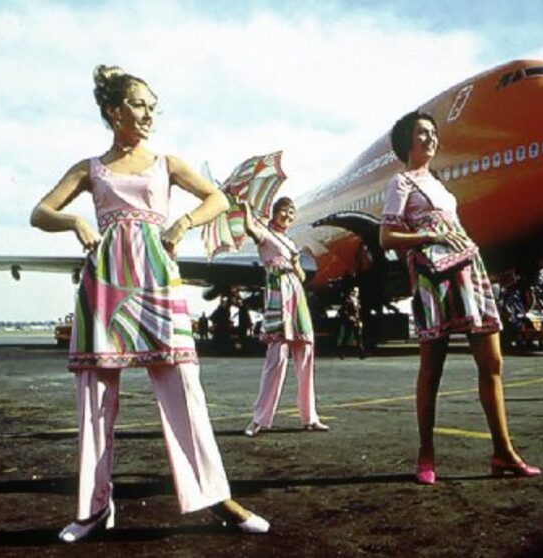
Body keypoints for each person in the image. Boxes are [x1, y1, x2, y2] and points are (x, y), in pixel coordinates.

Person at [30, 65, 269, 542]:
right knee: (96, 396)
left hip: (157, 281)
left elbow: (218, 199)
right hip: (105, 283)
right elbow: (40, 212)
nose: (147, 114)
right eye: (139, 104)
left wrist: (183, 225)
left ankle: (216, 497)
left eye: (152, 107)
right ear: (113, 110)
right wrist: (75, 223)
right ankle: (94, 508)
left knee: (183, 383)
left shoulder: (166, 162)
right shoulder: (90, 168)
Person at [379, 110, 540, 485]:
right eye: (422, 133)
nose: (430, 139)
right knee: (432, 367)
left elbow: (455, 230)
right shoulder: (401, 183)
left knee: (493, 361)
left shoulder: (441, 187)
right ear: (407, 141)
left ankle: (503, 453)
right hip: (432, 277)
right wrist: (429, 238)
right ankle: (426, 454)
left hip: (470, 270)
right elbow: (386, 239)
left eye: (433, 133)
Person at [240, 197, 329, 437]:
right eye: (284, 212)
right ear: (274, 213)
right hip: (278, 292)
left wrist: (297, 263)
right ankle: (259, 419)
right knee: (277, 356)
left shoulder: (290, 242)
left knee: (306, 352)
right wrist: (247, 208)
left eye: (291, 213)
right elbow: (250, 228)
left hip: (296, 293)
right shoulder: (265, 234)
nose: (288, 216)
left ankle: (310, 417)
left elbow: (301, 276)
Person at [337, 285, 365, 359]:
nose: (357, 293)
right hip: (350, 322)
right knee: (346, 337)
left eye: (357, 291)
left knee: (359, 337)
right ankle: (341, 353)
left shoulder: (357, 300)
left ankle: (361, 353)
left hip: (357, 321)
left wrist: (360, 321)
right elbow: (343, 311)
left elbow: (359, 312)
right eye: (355, 291)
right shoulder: (347, 300)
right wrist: (349, 317)